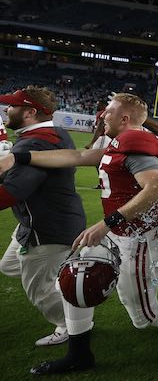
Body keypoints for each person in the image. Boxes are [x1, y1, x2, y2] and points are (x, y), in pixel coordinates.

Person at [0, 93, 158, 374]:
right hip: (119, 230)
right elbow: (78, 156)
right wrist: (18, 157)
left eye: (108, 112)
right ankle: (79, 354)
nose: (102, 116)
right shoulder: (120, 142)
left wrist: (107, 223)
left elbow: (153, 188)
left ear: (125, 118)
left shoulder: (136, 142)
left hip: (137, 236)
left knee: (145, 317)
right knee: (78, 274)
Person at [0, 86, 86, 347]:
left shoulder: (36, 141)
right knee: (9, 265)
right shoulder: (53, 132)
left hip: (48, 228)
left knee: (39, 291)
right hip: (47, 221)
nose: (7, 110)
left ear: (29, 112)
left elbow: (13, 191)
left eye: (12, 106)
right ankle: (67, 281)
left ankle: (71, 326)